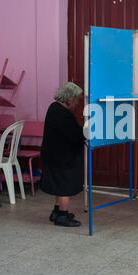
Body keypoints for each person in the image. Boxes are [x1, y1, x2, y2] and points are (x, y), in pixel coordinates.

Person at [40, 82, 85, 227]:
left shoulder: (53, 108)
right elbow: (74, 136)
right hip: (63, 158)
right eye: (77, 100)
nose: (77, 103)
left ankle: (57, 211)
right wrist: (85, 131)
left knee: (58, 185)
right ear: (70, 99)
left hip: (52, 155)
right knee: (65, 186)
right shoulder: (63, 114)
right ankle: (62, 216)